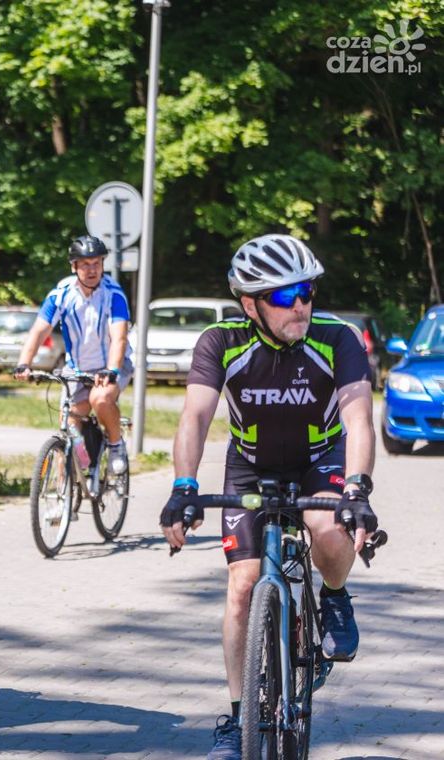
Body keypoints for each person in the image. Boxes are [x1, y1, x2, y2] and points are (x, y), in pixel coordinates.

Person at [159, 234, 377, 760]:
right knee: (242, 587)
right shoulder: (222, 341)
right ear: (249, 304)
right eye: (283, 296)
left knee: (329, 528)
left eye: (306, 291)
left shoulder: (337, 338)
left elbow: (359, 419)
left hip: (322, 460)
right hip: (251, 467)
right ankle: (237, 722)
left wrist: (357, 489)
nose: (299, 305)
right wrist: (184, 486)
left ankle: (334, 595)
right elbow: (194, 416)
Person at [14, 234, 133, 474]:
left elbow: (119, 337)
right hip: (76, 369)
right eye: (86, 264)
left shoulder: (114, 294)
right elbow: (39, 330)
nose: (92, 270)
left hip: (110, 365)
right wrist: (23, 363)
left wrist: (111, 370)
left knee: (100, 399)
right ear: (74, 266)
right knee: (67, 430)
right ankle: (63, 497)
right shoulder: (61, 294)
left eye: (97, 263)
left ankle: (116, 443)